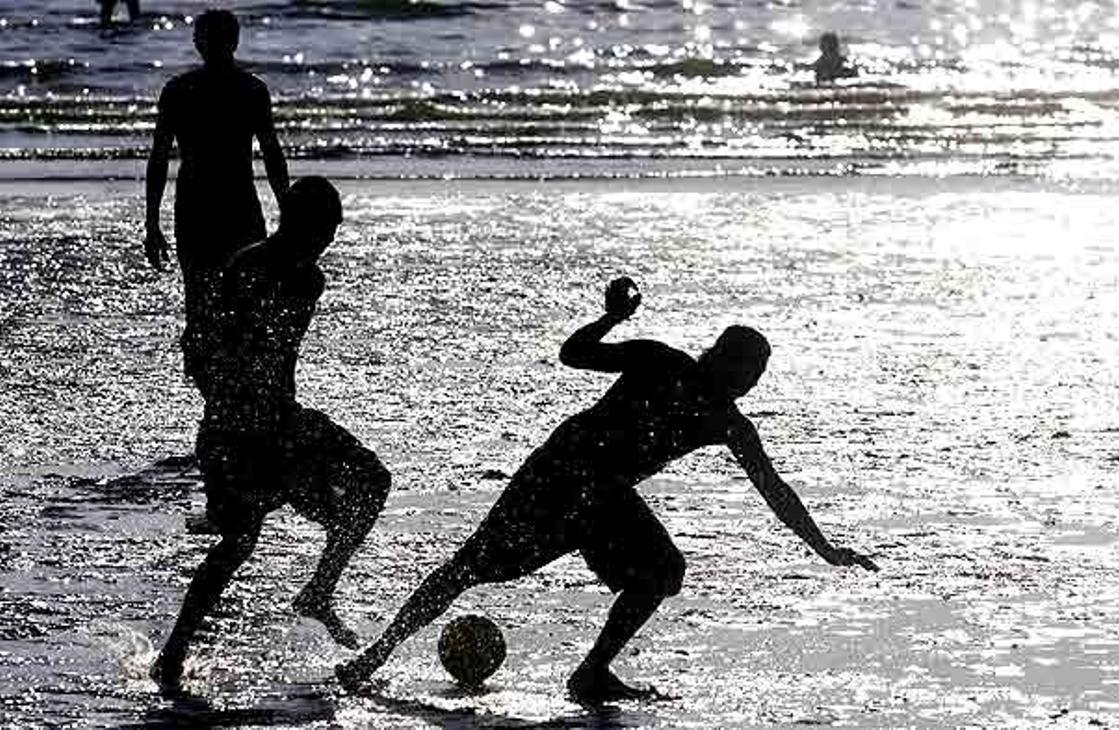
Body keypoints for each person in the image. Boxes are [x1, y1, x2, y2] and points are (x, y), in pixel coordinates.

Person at [336, 277, 878, 703]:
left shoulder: (727, 422)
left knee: (664, 571)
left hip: (605, 497)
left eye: (754, 376)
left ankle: (592, 673)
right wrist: (613, 318)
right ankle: (375, 657)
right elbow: (573, 354)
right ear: (714, 354)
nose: (744, 382)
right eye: (739, 367)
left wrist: (824, 547)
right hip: (560, 471)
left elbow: (774, 490)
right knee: (472, 565)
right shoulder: (658, 360)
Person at [152, 178, 391, 693]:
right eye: (323, 229)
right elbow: (199, 345)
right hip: (234, 428)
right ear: (295, 222)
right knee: (238, 543)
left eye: (332, 231)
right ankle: (173, 652)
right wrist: (226, 404)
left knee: (373, 480)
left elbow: (276, 361)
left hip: (282, 422)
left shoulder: (311, 281)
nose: (328, 240)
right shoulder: (249, 268)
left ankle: (319, 590)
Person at [143, 8, 289, 398]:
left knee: (208, 305)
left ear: (198, 43)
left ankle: (223, 393)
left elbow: (159, 158)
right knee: (240, 304)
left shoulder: (181, 90)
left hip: (200, 204)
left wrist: (151, 222)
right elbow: (272, 155)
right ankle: (226, 395)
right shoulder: (250, 89)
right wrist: (287, 210)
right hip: (235, 202)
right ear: (235, 42)